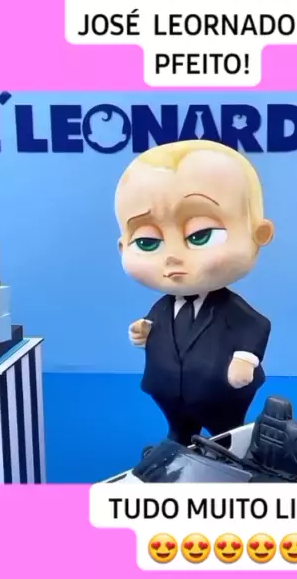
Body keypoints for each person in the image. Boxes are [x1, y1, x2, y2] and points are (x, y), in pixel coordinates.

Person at [115, 139, 274, 446]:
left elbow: (257, 326)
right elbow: (157, 328)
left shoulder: (230, 308)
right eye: (148, 241)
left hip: (221, 393)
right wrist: (144, 331)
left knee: (226, 435)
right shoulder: (163, 307)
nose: (173, 256)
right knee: (179, 431)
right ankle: (178, 441)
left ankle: (227, 448)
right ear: (123, 247)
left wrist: (245, 359)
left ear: (259, 234)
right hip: (167, 390)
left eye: (201, 235)